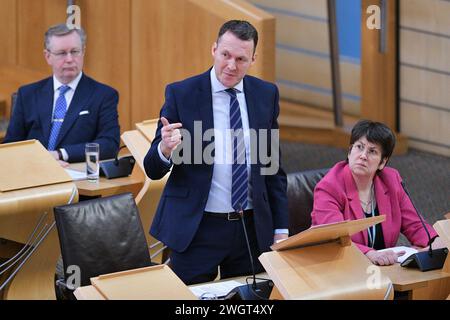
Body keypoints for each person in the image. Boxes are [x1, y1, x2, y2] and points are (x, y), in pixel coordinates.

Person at [144, 20, 288, 284]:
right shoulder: (182, 93)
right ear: (214, 49)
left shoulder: (266, 94)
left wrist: (281, 229)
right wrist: (165, 148)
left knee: (248, 303)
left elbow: (273, 168)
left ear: (253, 59)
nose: (231, 66)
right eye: (226, 55)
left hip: (250, 229)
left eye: (241, 59)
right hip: (198, 228)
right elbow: (152, 168)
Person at [311, 120, 445, 266]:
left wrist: (434, 240)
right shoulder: (329, 187)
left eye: (372, 151)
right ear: (350, 152)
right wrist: (369, 253)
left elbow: (415, 225)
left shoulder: (391, 180)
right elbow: (335, 239)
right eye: (359, 147)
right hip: (339, 269)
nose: (363, 155)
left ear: (382, 162)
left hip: (384, 270)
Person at [3, 24, 120, 165]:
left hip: (76, 175)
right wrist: (41, 161)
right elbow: (11, 146)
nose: (69, 59)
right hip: (33, 173)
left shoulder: (103, 95)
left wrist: (61, 154)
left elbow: (109, 144)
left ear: (83, 52)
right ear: (47, 56)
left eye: (75, 51)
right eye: (62, 53)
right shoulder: (27, 94)